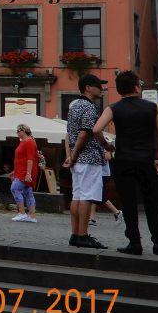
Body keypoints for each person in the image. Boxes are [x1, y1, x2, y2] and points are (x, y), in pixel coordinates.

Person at [91, 71, 158, 255]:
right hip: (147, 160)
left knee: (128, 203)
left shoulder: (113, 108)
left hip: (123, 160)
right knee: (151, 202)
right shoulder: (152, 108)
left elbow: (96, 129)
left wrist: (106, 145)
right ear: (137, 87)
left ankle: (134, 243)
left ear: (120, 89)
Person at [63, 74, 114, 249]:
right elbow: (85, 133)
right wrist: (76, 154)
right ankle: (83, 235)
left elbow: (77, 133)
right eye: (98, 86)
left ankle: (75, 234)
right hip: (88, 158)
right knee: (87, 197)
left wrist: (105, 144)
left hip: (79, 160)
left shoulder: (74, 106)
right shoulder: (89, 108)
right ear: (88, 88)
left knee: (77, 195)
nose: (102, 89)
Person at [10, 125, 38, 223]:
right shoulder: (24, 142)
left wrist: (28, 174)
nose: (17, 133)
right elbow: (21, 159)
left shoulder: (29, 142)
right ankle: (32, 216)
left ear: (23, 131)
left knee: (14, 188)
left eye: (18, 131)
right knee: (28, 192)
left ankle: (22, 213)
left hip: (24, 172)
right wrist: (14, 172)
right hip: (21, 171)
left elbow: (30, 159)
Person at [88, 157, 123, 226]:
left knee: (99, 195)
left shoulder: (105, 146)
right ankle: (92, 219)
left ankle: (117, 212)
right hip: (97, 172)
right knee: (94, 194)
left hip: (102, 173)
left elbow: (108, 156)